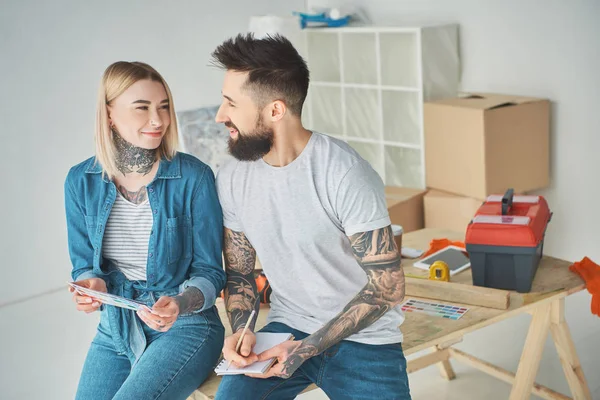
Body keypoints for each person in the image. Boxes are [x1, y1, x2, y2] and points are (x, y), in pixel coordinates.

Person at [211, 34, 412, 400]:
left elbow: (388, 287)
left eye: (231, 104)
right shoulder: (232, 177)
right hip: (288, 326)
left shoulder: (343, 172)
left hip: (364, 338)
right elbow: (239, 273)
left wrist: (308, 348)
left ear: (275, 110)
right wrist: (243, 331)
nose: (220, 116)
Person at [65, 61, 225, 400]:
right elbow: (85, 267)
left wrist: (180, 303)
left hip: (187, 327)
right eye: (143, 108)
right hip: (116, 328)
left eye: (164, 107)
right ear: (109, 113)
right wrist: (92, 286)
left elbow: (210, 272)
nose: (159, 120)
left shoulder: (193, 177)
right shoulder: (81, 182)